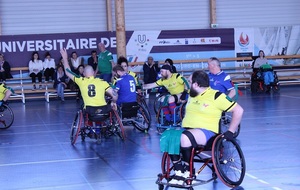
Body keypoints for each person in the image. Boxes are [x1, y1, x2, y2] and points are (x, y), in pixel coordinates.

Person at [162, 70, 243, 185]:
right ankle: (179, 170)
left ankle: (188, 170)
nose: (187, 85)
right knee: (168, 134)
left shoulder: (216, 96)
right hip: (188, 129)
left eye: (189, 82)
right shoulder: (191, 93)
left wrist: (230, 131)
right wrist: (172, 99)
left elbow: (238, 110)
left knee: (185, 137)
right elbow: (180, 97)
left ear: (196, 84)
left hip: (207, 133)